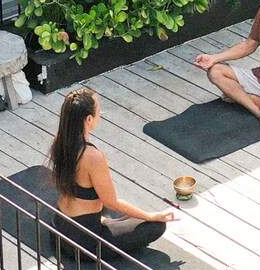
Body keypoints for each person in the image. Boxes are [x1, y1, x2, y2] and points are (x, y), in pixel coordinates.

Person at [49, 87, 176, 260]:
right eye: (99, 110)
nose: (100, 114)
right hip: (84, 243)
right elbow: (112, 202)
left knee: (113, 213)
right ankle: (107, 225)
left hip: (59, 226)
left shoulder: (60, 140)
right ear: (88, 119)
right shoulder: (92, 156)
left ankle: (104, 223)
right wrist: (151, 216)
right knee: (156, 226)